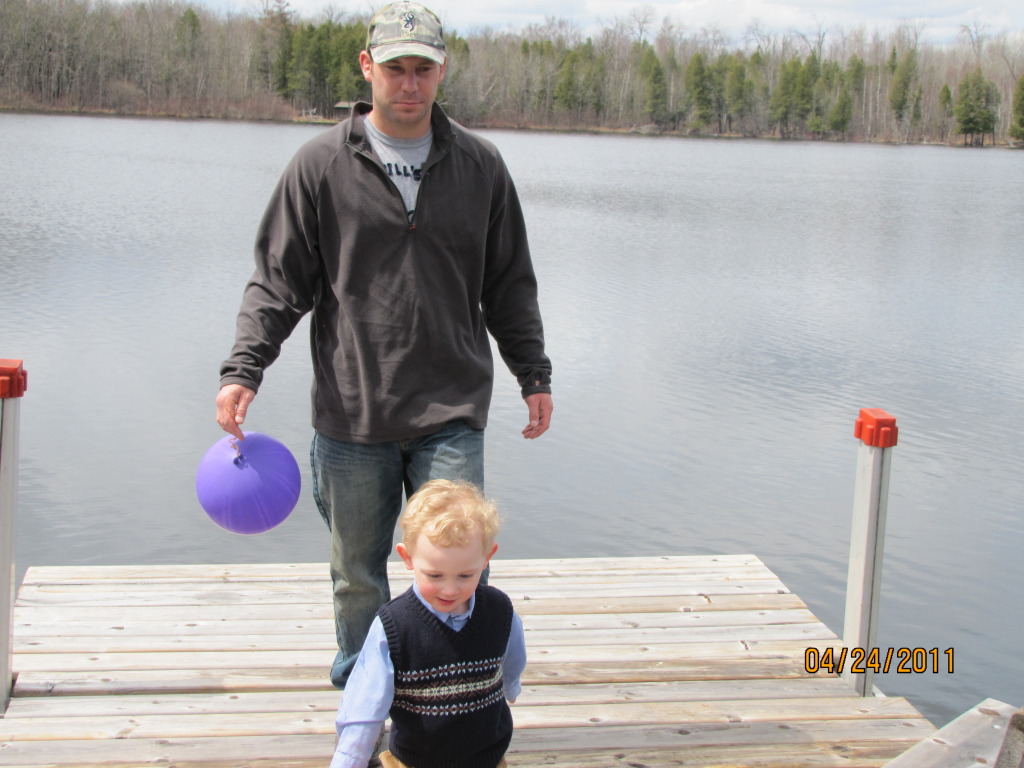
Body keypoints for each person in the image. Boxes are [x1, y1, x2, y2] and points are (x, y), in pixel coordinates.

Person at [214, 0, 552, 691]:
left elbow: (510, 283)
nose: (409, 83)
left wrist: (533, 373)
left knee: (459, 564)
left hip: (451, 409)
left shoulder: (481, 167)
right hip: (353, 412)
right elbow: (278, 282)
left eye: (423, 69)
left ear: (442, 71)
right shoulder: (319, 165)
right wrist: (244, 368)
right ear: (368, 67)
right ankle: (361, 699)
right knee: (358, 575)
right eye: (396, 68)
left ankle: (453, 697)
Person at [328, 479, 525, 768]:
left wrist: (511, 685)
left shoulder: (499, 611)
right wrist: (349, 759)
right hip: (415, 761)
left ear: (486, 558)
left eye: (465, 575)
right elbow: (365, 705)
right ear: (408, 558)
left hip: (487, 759)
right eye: (435, 575)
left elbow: (512, 654)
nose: (450, 589)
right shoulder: (395, 626)